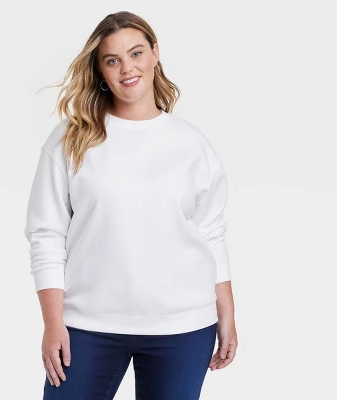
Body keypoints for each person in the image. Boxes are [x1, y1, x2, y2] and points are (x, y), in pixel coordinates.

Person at [24, 10, 238, 400]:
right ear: (100, 71)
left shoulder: (192, 144)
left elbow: (211, 233)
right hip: (86, 325)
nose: (127, 68)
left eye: (136, 53)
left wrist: (227, 314)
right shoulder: (71, 141)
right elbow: (46, 235)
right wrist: (52, 323)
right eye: (112, 60)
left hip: (182, 327)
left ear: (155, 53)